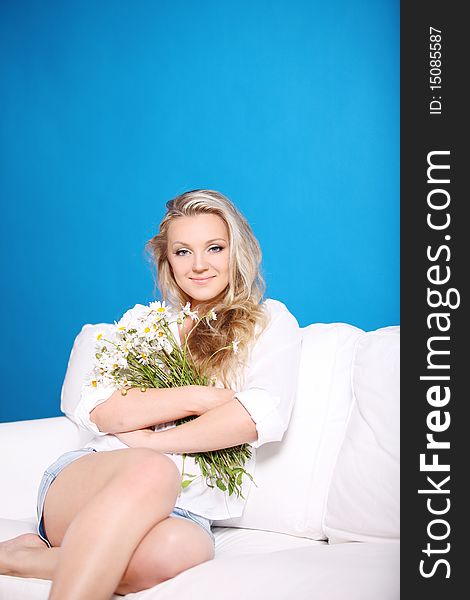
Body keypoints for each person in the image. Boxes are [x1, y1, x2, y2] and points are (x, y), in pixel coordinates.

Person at [0, 189, 301, 600]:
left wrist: (153, 439)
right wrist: (202, 397)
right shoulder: (145, 324)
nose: (199, 265)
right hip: (90, 482)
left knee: (182, 551)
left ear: (238, 251)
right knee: (152, 469)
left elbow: (258, 416)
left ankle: (24, 559)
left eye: (214, 247)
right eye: (182, 252)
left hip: (187, 510)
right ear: (167, 261)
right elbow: (102, 411)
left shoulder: (269, 322)